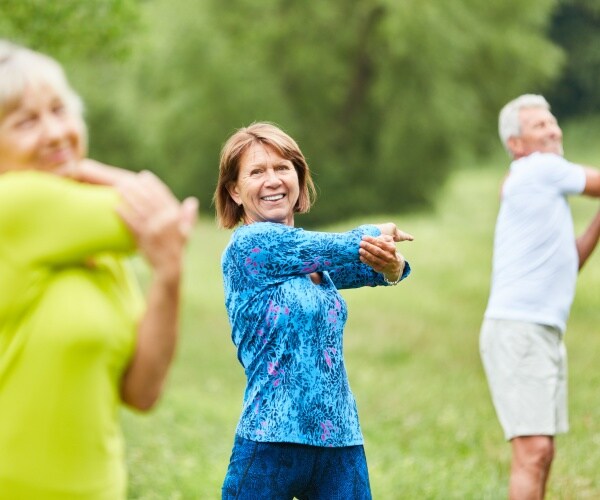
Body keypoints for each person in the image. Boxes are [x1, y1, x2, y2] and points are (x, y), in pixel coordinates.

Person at [0, 40, 197, 499]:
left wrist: (168, 277)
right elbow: (162, 211)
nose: (54, 133)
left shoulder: (99, 251)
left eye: (60, 111)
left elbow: (141, 392)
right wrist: (85, 166)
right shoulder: (13, 206)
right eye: (26, 121)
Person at [214, 122, 413, 499]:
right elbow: (348, 245)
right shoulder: (250, 247)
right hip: (271, 437)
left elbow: (367, 266)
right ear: (235, 191)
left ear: (299, 180)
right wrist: (379, 229)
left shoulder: (313, 262)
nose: (272, 179)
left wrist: (392, 267)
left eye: (282, 168)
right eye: (257, 171)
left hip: (339, 438)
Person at [480, 94, 600, 499]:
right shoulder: (540, 169)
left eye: (553, 122)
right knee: (533, 452)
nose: (554, 130)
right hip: (520, 329)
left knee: (542, 452)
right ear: (517, 144)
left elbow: (571, 261)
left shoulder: (537, 183)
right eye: (540, 126)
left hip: (539, 330)